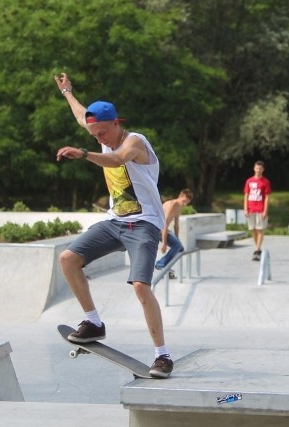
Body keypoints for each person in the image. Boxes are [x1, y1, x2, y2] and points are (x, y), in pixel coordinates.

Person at [53, 72, 172, 378]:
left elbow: (118, 159)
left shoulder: (134, 142)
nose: (100, 139)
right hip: (115, 222)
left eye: (103, 133)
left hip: (144, 225)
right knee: (68, 259)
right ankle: (93, 321)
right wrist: (67, 92)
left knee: (142, 287)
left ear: (117, 123)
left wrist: (83, 154)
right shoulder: (99, 131)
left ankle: (162, 356)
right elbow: (83, 117)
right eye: (95, 136)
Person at [155, 189, 194, 276]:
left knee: (180, 248)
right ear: (180, 197)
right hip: (157, 229)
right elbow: (164, 225)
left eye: (186, 203)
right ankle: (160, 264)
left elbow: (176, 225)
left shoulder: (179, 206)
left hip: (163, 229)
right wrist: (164, 243)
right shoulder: (171, 205)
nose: (184, 204)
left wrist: (177, 238)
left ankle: (165, 266)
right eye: (183, 201)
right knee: (177, 246)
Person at [244, 160, 271, 261]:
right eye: (256, 168)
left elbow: (267, 197)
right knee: (252, 229)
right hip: (251, 208)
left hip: (260, 208)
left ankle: (258, 249)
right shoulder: (249, 181)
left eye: (260, 169)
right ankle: (258, 247)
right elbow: (246, 195)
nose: (258, 170)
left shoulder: (265, 182)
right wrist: (245, 208)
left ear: (263, 170)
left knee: (260, 229)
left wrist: (265, 210)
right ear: (254, 168)